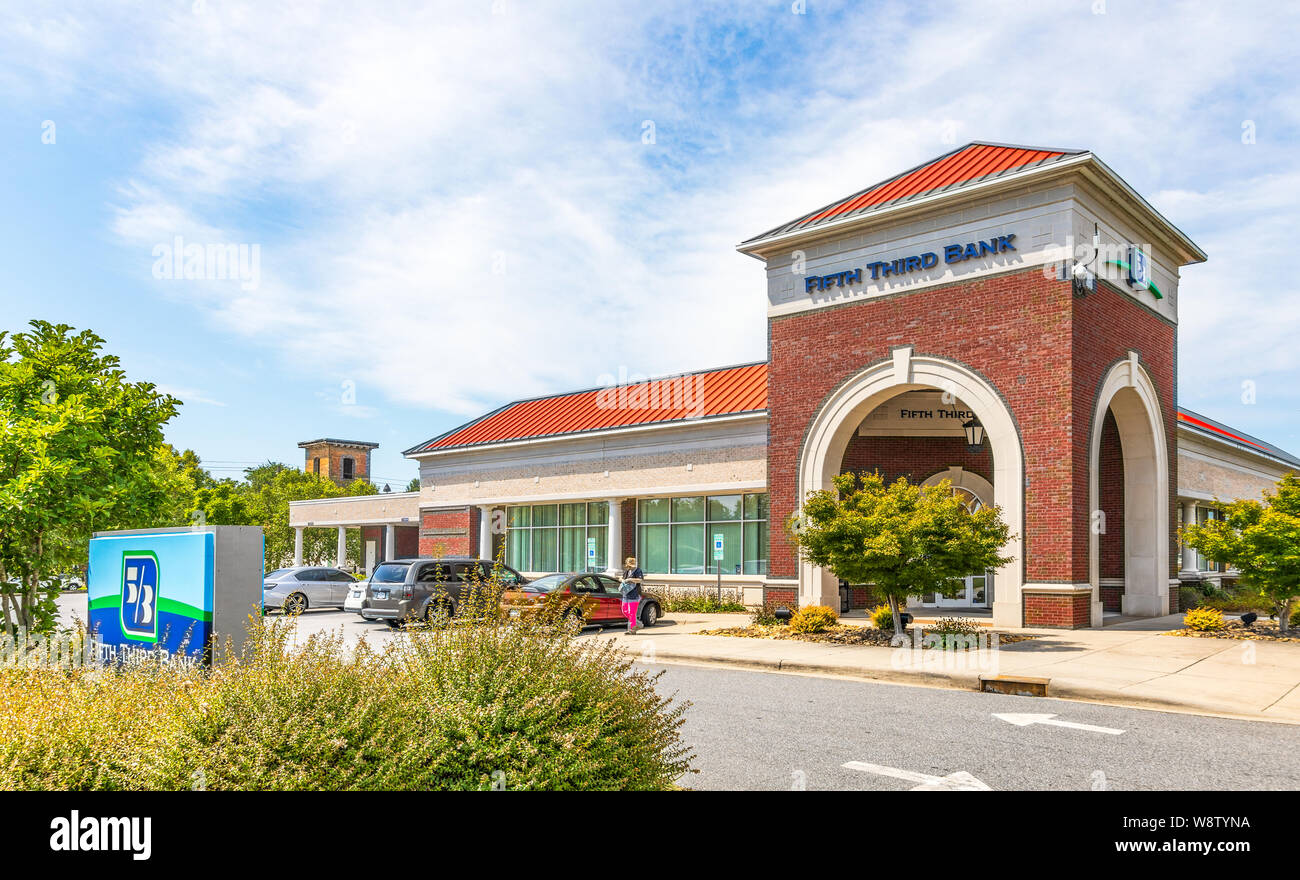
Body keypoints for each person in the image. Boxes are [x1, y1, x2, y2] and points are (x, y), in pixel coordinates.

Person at [620, 556, 644, 633]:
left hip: (635, 595)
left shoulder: (638, 571)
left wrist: (630, 579)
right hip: (626, 594)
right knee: (625, 611)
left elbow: (640, 580)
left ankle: (631, 630)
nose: (629, 567)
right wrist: (623, 580)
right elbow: (621, 578)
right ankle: (638, 624)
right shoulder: (627, 571)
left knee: (632, 613)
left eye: (631, 565)